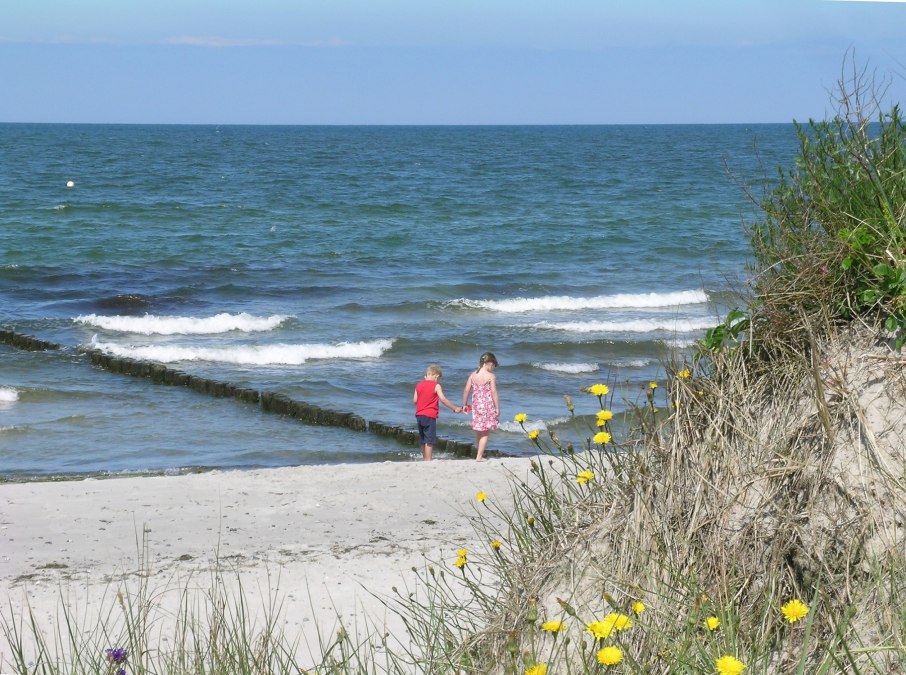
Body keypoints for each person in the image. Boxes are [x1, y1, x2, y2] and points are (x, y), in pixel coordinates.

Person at [413, 364, 461, 461]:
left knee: (423, 439)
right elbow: (443, 399)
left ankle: (424, 459)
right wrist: (454, 407)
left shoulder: (418, 385)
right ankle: (428, 460)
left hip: (419, 415)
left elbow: (414, 400)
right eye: (439, 379)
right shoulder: (436, 385)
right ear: (436, 376)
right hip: (430, 416)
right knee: (429, 440)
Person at [461, 351, 499, 462]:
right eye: (493, 365)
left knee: (479, 430)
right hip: (487, 405)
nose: (493, 368)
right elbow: (493, 392)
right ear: (489, 363)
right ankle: (479, 456)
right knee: (486, 431)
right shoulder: (490, 376)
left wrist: (464, 404)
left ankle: (479, 453)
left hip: (476, 405)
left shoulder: (473, 375)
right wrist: (497, 407)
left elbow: (467, 390)